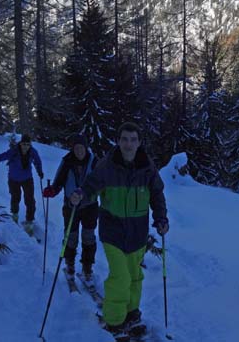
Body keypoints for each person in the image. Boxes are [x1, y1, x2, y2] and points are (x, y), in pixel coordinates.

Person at [70, 122, 169, 336]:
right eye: (124, 139)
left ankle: (132, 313)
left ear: (139, 142)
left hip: (137, 233)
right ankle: (114, 321)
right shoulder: (107, 166)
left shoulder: (147, 167)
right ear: (118, 141)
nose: (128, 144)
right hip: (112, 232)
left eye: (133, 139)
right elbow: (90, 186)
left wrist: (161, 218)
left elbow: (157, 194)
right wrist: (81, 194)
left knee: (134, 276)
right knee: (120, 277)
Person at [42, 134, 99, 277]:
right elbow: (59, 182)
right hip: (70, 206)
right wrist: (52, 190)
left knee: (88, 237)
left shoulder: (94, 162)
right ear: (73, 149)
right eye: (76, 148)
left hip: (90, 206)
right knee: (70, 237)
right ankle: (70, 264)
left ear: (86, 148)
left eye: (82, 148)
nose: (79, 151)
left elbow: (100, 183)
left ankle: (87, 267)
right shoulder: (67, 162)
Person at [0, 134, 43, 234]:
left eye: (28, 144)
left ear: (30, 144)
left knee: (30, 200)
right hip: (13, 179)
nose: (25, 146)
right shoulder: (14, 151)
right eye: (24, 144)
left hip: (27, 179)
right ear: (20, 143)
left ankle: (29, 222)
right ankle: (14, 216)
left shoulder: (32, 151)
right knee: (15, 197)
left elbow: (37, 162)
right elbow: (3, 156)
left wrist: (40, 171)